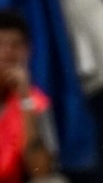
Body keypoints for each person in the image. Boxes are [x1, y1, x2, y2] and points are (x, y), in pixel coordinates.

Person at [0, 10, 63, 183]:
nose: (8, 52)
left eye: (15, 45)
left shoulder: (36, 101)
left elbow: (41, 171)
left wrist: (25, 99)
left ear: (28, 50)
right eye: (1, 44)